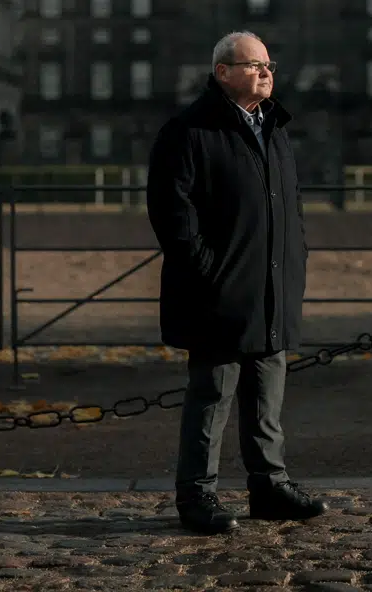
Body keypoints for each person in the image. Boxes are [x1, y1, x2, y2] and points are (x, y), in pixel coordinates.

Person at [146, 31, 328, 535]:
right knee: (212, 397)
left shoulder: (274, 128)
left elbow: (288, 210)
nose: (266, 72)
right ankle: (197, 496)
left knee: (267, 394)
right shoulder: (187, 131)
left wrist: (297, 262)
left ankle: (269, 486)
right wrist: (208, 273)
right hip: (218, 292)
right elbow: (172, 217)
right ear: (223, 72)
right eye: (254, 65)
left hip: (272, 286)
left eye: (269, 64)